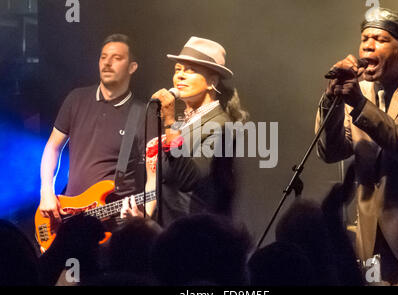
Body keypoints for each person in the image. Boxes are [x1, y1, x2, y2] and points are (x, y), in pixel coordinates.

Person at [315, 8, 398, 284]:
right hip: (371, 238)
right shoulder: (361, 91)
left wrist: (359, 105)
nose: (367, 46)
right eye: (364, 39)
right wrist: (331, 101)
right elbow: (331, 152)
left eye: (378, 39)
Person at [122, 37, 248, 227]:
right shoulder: (184, 125)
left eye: (191, 70)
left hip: (195, 240)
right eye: (178, 69)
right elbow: (166, 188)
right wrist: (145, 220)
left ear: (211, 82)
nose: (180, 76)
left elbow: (190, 179)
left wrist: (170, 121)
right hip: (168, 235)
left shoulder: (221, 125)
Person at [39, 34, 154, 230]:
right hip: (68, 213)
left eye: (117, 58)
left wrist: (145, 216)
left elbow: (154, 177)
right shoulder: (76, 99)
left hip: (114, 221)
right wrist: (46, 191)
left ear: (132, 67)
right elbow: (53, 146)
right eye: (103, 57)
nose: (107, 63)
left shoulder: (144, 113)